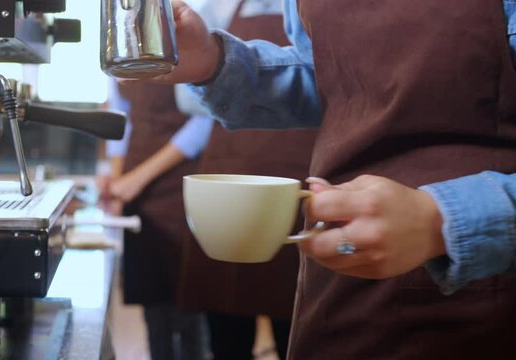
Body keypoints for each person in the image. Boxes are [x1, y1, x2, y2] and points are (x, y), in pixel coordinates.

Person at [128, 0, 516, 358]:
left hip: (485, 304)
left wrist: (445, 221)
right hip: (339, 295)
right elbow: (331, 77)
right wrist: (215, 63)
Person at [173, 1, 316, 359]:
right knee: (226, 327)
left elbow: (327, 82)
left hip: (301, 171)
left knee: (297, 323)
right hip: (228, 180)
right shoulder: (215, 8)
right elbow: (191, 103)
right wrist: (210, 63)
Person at [101, 79, 213, 360]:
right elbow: (121, 116)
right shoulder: (121, 54)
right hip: (138, 188)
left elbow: (203, 124)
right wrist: (118, 179)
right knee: (152, 304)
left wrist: (137, 178)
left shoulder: (187, 48)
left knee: (188, 305)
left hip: (182, 184)